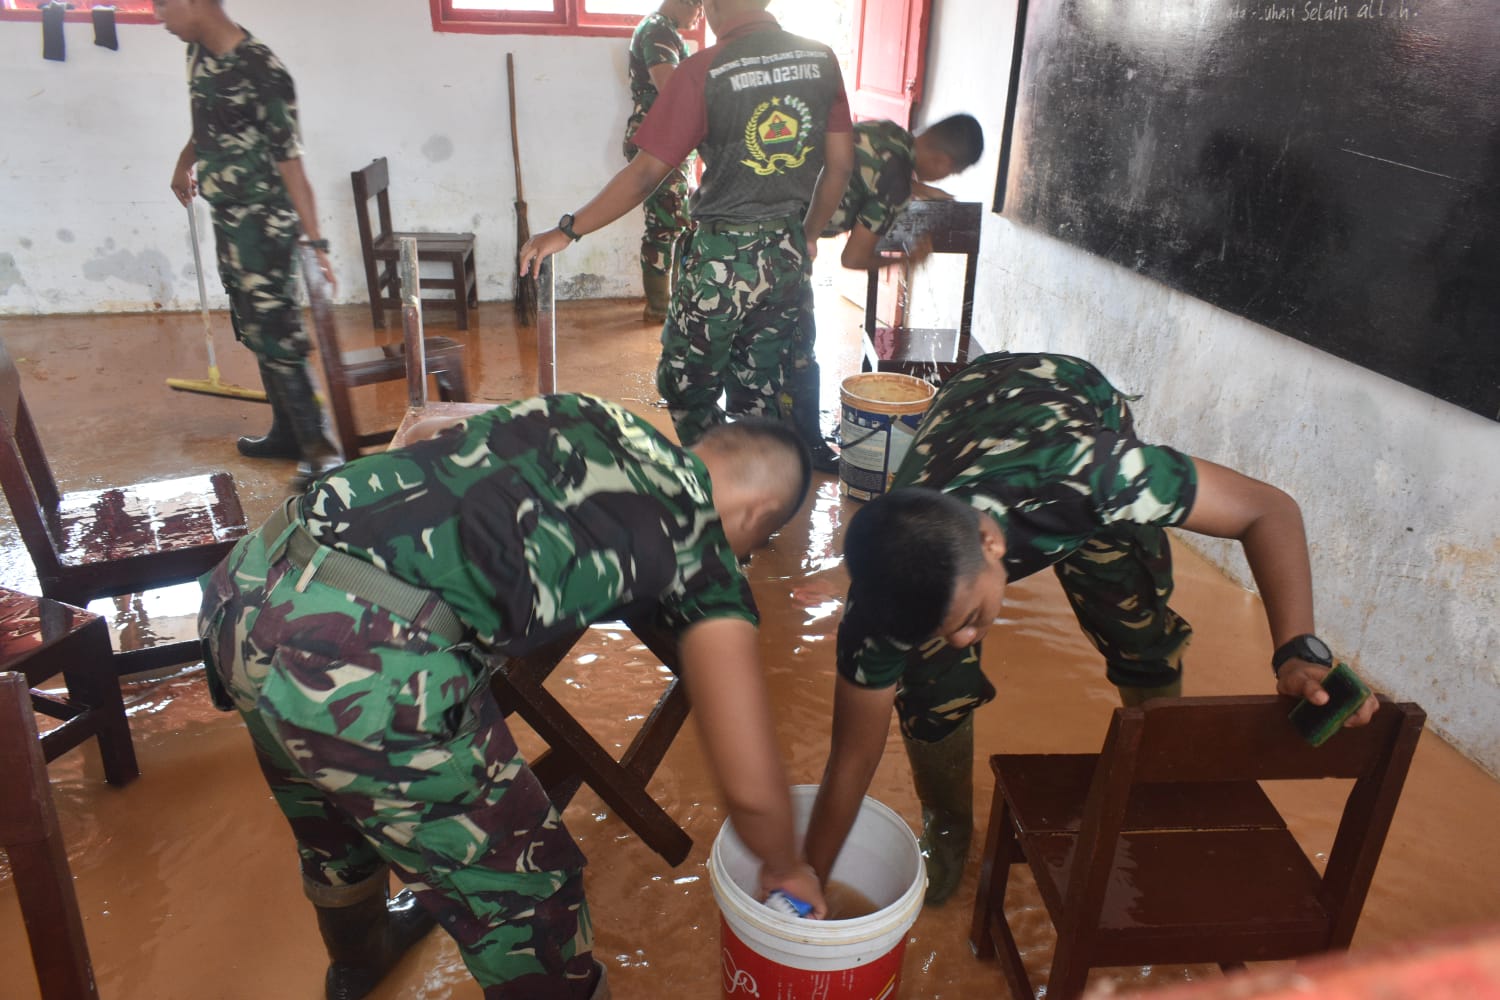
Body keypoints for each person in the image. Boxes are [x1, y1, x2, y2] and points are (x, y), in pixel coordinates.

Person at [198, 394, 826, 1000]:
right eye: (754, 545)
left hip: (250, 587)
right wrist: (784, 865)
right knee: (532, 896)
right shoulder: (701, 543)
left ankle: (362, 962)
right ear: (754, 517)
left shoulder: (591, 412)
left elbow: (425, 435)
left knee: (330, 821)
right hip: (361, 667)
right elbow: (748, 780)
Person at [801, 351, 1379, 906]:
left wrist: (1297, 652)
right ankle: (948, 828)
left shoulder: (1098, 478)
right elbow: (851, 757)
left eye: (970, 619)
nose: (964, 640)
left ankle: (1152, 775)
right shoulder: (880, 601)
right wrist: (809, 879)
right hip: (968, 410)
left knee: (1135, 626)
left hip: (1069, 404)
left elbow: (1269, 510)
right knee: (927, 681)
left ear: (993, 544)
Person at [520, 0, 855, 450]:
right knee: (761, 388)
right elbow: (840, 167)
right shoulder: (821, 60)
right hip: (786, 250)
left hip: (721, 260)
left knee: (685, 384)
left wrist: (567, 230)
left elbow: (643, 175)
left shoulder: (704, 70)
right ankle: (760, 491)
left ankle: (718, 477)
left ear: (713, 5)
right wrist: (808, 235)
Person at [157, 0, 341, 490]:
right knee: (252, 326)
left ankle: (322, 452)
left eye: (162, 3)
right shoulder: (197, 51)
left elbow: (292, 167)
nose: (157, 14)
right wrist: (183, 163)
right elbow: (207, 119)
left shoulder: (264, 71)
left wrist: (317, 243)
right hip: (229, 218)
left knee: (279, 331)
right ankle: (287, 433)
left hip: (266, 226)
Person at [784, 113, 986, 471]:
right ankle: (807, 449)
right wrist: (906, 261)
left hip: (767, 213)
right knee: (798, 350)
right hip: (784, 240)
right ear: (942, 161)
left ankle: (772, 434)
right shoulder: (894, 181)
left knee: (765, 342)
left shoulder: (886, 132)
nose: (944, 179)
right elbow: (853, 257)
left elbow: (871, 171)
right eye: (950, 173)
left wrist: (916, 189)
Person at [623, 0, 703, 322]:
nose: (700, 15)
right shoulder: (657, 29)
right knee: (664, 225)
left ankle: (673, 304)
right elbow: (670, 88)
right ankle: (658, 310)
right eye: (698, 6)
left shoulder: (665, 30)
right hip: (660, 140)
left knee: (680, 221)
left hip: (671, 140)